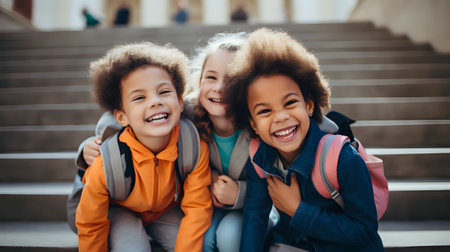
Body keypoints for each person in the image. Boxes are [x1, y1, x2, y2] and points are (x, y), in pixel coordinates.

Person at [224, 28, 384, 251]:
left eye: (290, 103)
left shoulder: (342, 158)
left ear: (309, 105)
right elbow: (255, 216)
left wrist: (298, 210)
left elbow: (365, 231)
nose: (280, 117)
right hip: (292, 243)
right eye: (264, 111)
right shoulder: (259, 157)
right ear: (253, 124)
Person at [75, 42, 213, 251]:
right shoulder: (107, 162)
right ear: (122, 116)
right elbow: (91, 222)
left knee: (195, 244)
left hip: (166, 211)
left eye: (164, 92)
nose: (155, 102)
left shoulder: (193, 146)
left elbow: (197, 208)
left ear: (180, 102)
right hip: (120, 210)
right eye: (139, 97)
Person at [186, 32, 249, 252]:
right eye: (211, 77)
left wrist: (240, 193)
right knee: (202, 238)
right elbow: (135, 112)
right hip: (207, 206)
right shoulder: (187, 114)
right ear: (199, 80)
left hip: (248, 208)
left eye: (231, 80)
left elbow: (275, 180)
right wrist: (91, 144)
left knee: (230, 236)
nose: (219, 88)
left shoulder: (258, 124)